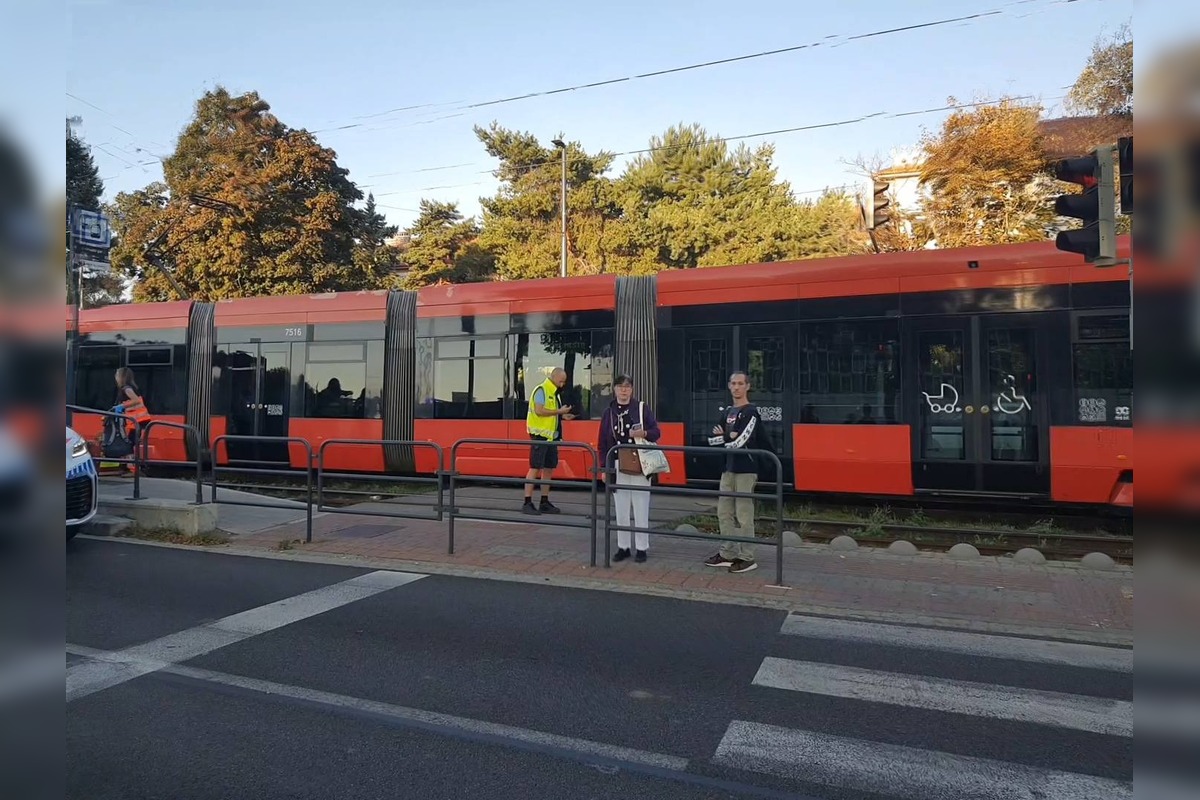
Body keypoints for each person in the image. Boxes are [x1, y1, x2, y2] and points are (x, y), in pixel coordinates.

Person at [704, 371, 767, 574]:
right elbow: (712, 440)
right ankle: (727, 553)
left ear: (747, 386)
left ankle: (747, 556)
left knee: (744, 513)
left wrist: (727, 438)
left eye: (741, 383)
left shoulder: (751, 412)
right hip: (728, 468)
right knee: (724, 512)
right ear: (729, 386)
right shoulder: (728, 411)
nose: (737, 387)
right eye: (733, 383)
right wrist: (728, 437)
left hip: (746, 469)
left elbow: (742, 441)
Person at [598, 374, 662, 563]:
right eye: (620, 386)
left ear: (632, 389)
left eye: (627, 386)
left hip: (640, 463)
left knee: (641, 505)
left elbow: (656, 432)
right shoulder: (608, 412)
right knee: (621, 508)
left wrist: (645, 433)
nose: (624, 390)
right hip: (618, 464)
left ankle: (642, 548)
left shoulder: (642, 408)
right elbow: (602, 443)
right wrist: (604, 468)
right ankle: (623, 546)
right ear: (614, 389)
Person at [523, 367, 574, 514]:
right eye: (561, 381)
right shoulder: (542, 390)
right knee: (535, 467)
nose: (562, 384)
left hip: (551, 437)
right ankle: (527, 502)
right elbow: (539, 411)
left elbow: (549, 413)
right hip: (540, 436)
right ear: (554, 377)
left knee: (549, 468)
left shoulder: (554, 393)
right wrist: (559, 412)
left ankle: (544, 501)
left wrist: (563, 416)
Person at [111, 367, 150, 475]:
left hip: (135, 422)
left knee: (128, 444)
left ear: (121, 377)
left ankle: (133, 470)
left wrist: (121, 406)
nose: (115, 377)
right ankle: (129, 467)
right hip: (138, 421)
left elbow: (136, 400)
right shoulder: (131, 387)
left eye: (117, 375)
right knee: (130, 443)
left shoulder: (126, 389)